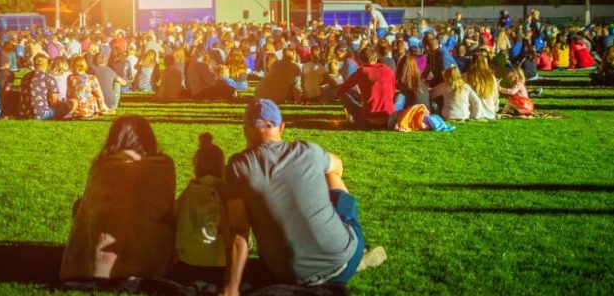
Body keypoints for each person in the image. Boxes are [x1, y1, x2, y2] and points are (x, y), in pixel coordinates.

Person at [221, 100, 384, 294]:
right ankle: (352, 251)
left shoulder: (238, 167)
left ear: (246, 130)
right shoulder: (308, 150)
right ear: (282, 127)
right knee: (330, 174)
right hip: (345, 262)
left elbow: (239, 231)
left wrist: (230, 287)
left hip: (288, 276)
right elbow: (338, 166)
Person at [60, 115, 176, 279]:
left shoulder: (103, 165)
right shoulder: (164, 165)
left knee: (80, 206)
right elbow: (164, 206)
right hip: (152, 257)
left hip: (103, 261)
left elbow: (91, 208)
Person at [170, 132, 228, 285]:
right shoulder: (229, 193)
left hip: (190, 263)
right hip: (224, 266)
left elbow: (173, 214)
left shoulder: (190, 192)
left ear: (196, 166)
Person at [336, 47, 403, 128]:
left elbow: (343, 88)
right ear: (376, 58)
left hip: (368, 119)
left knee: (343, 96)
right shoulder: (388, 70)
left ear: (360, 60)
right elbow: (393, 91)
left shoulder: (362, 72)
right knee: (401, 96)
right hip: (388, 118)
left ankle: (352, 117)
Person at [20, 54, 65, 120]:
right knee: (66, 106)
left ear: (35, 64)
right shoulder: (48, 78)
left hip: (26, 114)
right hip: (43, 114)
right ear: (47, 64)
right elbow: (54, 101)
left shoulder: (25, 77)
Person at [65, 55, 108, 119]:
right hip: (88, 109)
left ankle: (77, 112)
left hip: (75, 108)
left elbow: (69, 94)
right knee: (94, 95)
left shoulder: (70, 78)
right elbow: (100, 95)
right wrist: (103, 105)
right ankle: (101, 110)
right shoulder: (91, 78)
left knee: (80, 94)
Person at [464, 51, 499, 119]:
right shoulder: (492, 78)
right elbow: (495, 97)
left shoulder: (465, 77)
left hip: (472, 113)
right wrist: (495, 109)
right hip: (490, 113)